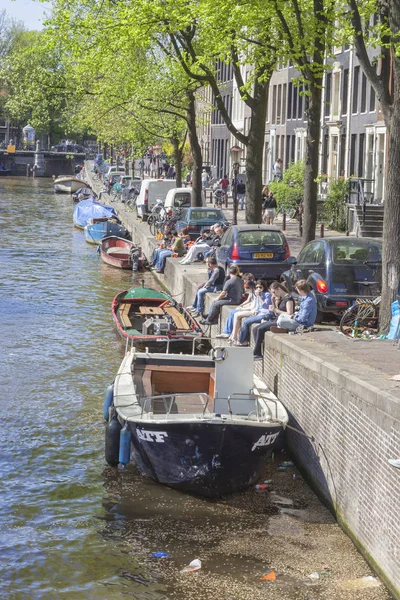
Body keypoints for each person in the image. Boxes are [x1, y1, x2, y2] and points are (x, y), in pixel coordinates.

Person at [252, 282, 295, 358]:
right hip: (277, 319)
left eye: (274, 292)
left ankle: (257, 353)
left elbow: (289, 313)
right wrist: (273, 303)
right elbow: (276, 313)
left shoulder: (288, 299)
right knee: (255, 329)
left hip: (283, 321)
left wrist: (276, 310)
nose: (274, 294)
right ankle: (258, 351)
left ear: (279, 289)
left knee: (260, 329)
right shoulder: (281, 298)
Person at [229, 280, 270, 344]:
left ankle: (240, 341)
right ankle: (243, 340)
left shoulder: (267, 295)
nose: (258, 289)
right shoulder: (257, 294)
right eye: (257, 287)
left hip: (266, 314)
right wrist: (256, 311)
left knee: (246, 322)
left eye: (260, 287)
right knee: (247, 321)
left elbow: (265, 306)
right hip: (259, 313)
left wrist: (259, 296)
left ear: (264, 287)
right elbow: (257, 306)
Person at [215, 274, 256, 339]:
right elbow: (248, 300)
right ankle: (227, 332)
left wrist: (243, 308)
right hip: (248, 305)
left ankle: (228, 333)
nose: (245, 284)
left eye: (245, 282)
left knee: (234, 313)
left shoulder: (254, 289)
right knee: (232, 311)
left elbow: (253, 304)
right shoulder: (251, 288)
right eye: (244, 282)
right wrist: (241, 305)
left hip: (252, 308)